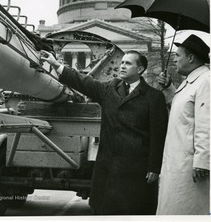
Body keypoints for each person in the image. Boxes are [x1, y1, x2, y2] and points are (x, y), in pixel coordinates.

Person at [40, 49, 168, 215]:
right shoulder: (110, 89)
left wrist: (154, 166)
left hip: (136, 170)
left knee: (133, 211)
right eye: (122, 62)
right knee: (105, 211)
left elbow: (158, 135)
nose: (122, 66)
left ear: (140, 69)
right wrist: (57, 65)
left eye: (128, 63)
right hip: (108, 167)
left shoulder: (154, 97)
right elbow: (83, 82)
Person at [156, 34, 210, 215]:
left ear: (191, 58)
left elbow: (207, 122)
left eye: (178, 56)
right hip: (178, 162)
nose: (175, 60)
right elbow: (182, 113)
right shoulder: (190, 82)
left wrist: (203, 160)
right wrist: (169, 87)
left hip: (190, 167)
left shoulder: (206, 81)